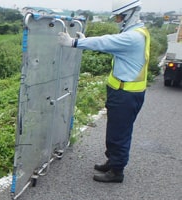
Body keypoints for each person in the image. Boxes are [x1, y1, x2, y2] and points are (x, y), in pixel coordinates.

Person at [57, 0, 150, 183]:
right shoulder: (138, 32)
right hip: (124, 93)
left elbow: (105, 42)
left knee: (119, 134)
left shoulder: (133, 37)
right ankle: (113, 161)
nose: (117, 20)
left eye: (118, 16)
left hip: (126, 94)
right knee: (116, 131)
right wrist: (83, 41)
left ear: (130, 14)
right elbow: (112, 45)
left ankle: (117, 171)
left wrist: (75, 42)